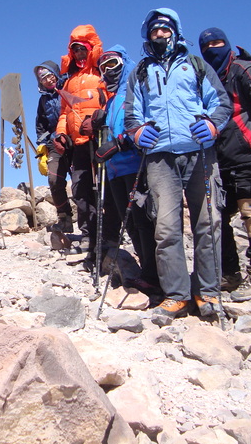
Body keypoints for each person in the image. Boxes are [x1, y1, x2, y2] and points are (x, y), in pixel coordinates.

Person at [124, 9, 231, 322]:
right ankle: (177, 297)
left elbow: (221, 103)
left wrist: (213, 126)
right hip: (159, 156)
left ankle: (208, 293)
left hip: (200, 152)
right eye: (155, 29)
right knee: (167, 228)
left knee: (208, 224)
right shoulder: (140, 71)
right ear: (148, 34)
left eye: (166, 28)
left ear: (176, 31)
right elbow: (132, 113)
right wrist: (139, 131)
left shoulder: (196, 64)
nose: (160, 33)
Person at [199, 27, 251, 301]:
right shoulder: (207, 79)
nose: (212, 49)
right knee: (218, 218)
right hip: (220, 160)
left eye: (218, 43)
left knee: (250, 211)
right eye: (206, 46)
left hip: (249, 153)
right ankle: (230, 273)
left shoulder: (245, 70)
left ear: (228, 43)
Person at [94, 46, 159, 297]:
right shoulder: (110, 99)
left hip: (135, 164)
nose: (108, 71)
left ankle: (155, 275)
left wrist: (123, 142)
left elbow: (148, 120)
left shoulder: (136, 88)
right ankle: (146, 273)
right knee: (129, 222)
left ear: (124, 62)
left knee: (143, 221)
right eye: (103, 67)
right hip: (115, 169)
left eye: (112, 63)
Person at [55, 25, 119, 262]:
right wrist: (61, 134)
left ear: (91, 50)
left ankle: (109, 234)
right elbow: (64, 112)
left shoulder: (102, 75)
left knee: (105, 188)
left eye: (83, 50)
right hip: (79, 143)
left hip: (101, 140)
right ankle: (88, 235)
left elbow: (112, 104)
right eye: (75, 50)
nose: (79, 54)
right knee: (81, 190)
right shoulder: (69, 81)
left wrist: (99, 122)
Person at [33, 60, 73, 233]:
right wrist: (42, 145)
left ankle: (93, 220)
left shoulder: (69, 89)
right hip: (54, 143)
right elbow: (41, 125)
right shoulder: (43, 101)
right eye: (43, 79)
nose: (48, 80)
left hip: (75, 140)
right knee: (54, 180)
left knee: (82, 182)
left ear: (56, 74)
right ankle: (65, 218)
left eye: (50, 76)